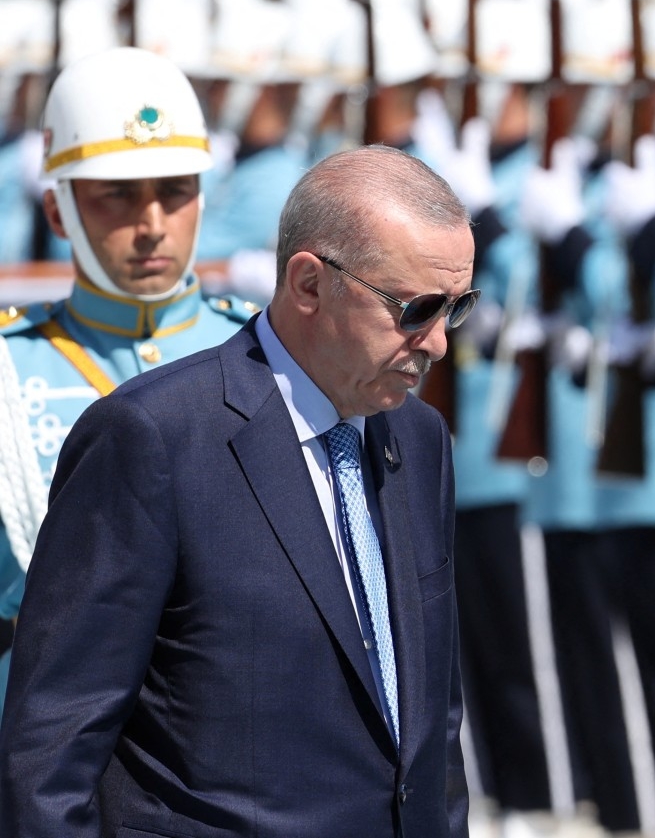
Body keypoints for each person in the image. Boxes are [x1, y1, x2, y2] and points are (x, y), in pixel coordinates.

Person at [0, 144, 475, 837]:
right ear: (308, 284)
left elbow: (431, 721)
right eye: (415, 309)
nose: (436, 344)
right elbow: (53, 743)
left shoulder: (418, 437)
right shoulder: (155, 437)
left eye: (457, 309)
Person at [0, 46, 254, 703]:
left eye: (175, 191)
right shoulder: (8, 368)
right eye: (117, 194)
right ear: (58, 212)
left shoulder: (262, 349)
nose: (152, 225)